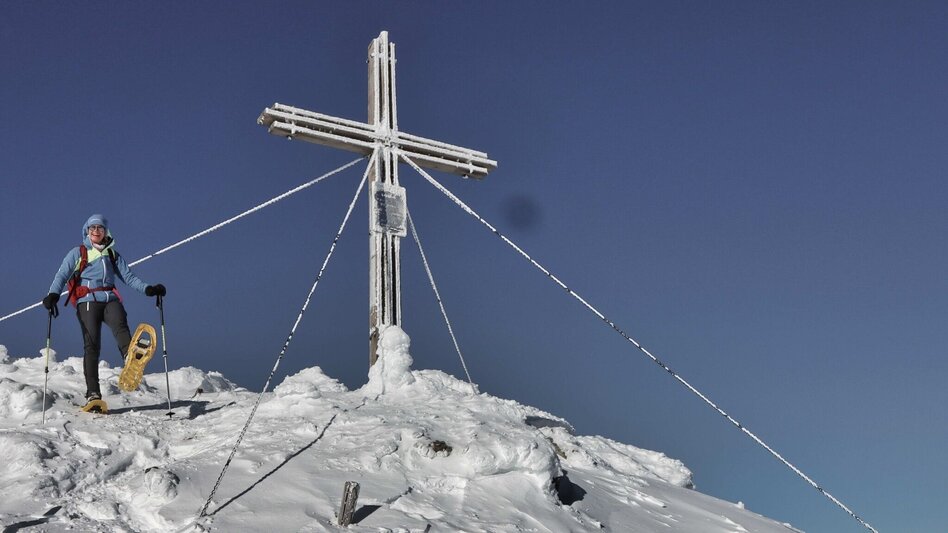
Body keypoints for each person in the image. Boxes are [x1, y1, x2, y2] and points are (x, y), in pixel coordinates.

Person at [42, 214, 166, 405]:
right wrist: (53, 295)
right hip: (87, 301)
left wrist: (149, 289)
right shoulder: (79, 252)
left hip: (110, 299)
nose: (96, 231)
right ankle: (93, 393)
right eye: (92, 228)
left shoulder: (112, 254)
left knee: (120, 324)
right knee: (92, 345)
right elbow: (62, 274)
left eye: (100, 228)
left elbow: (129, 277)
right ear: (87, 231)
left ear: (106, 231)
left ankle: (130, 358)